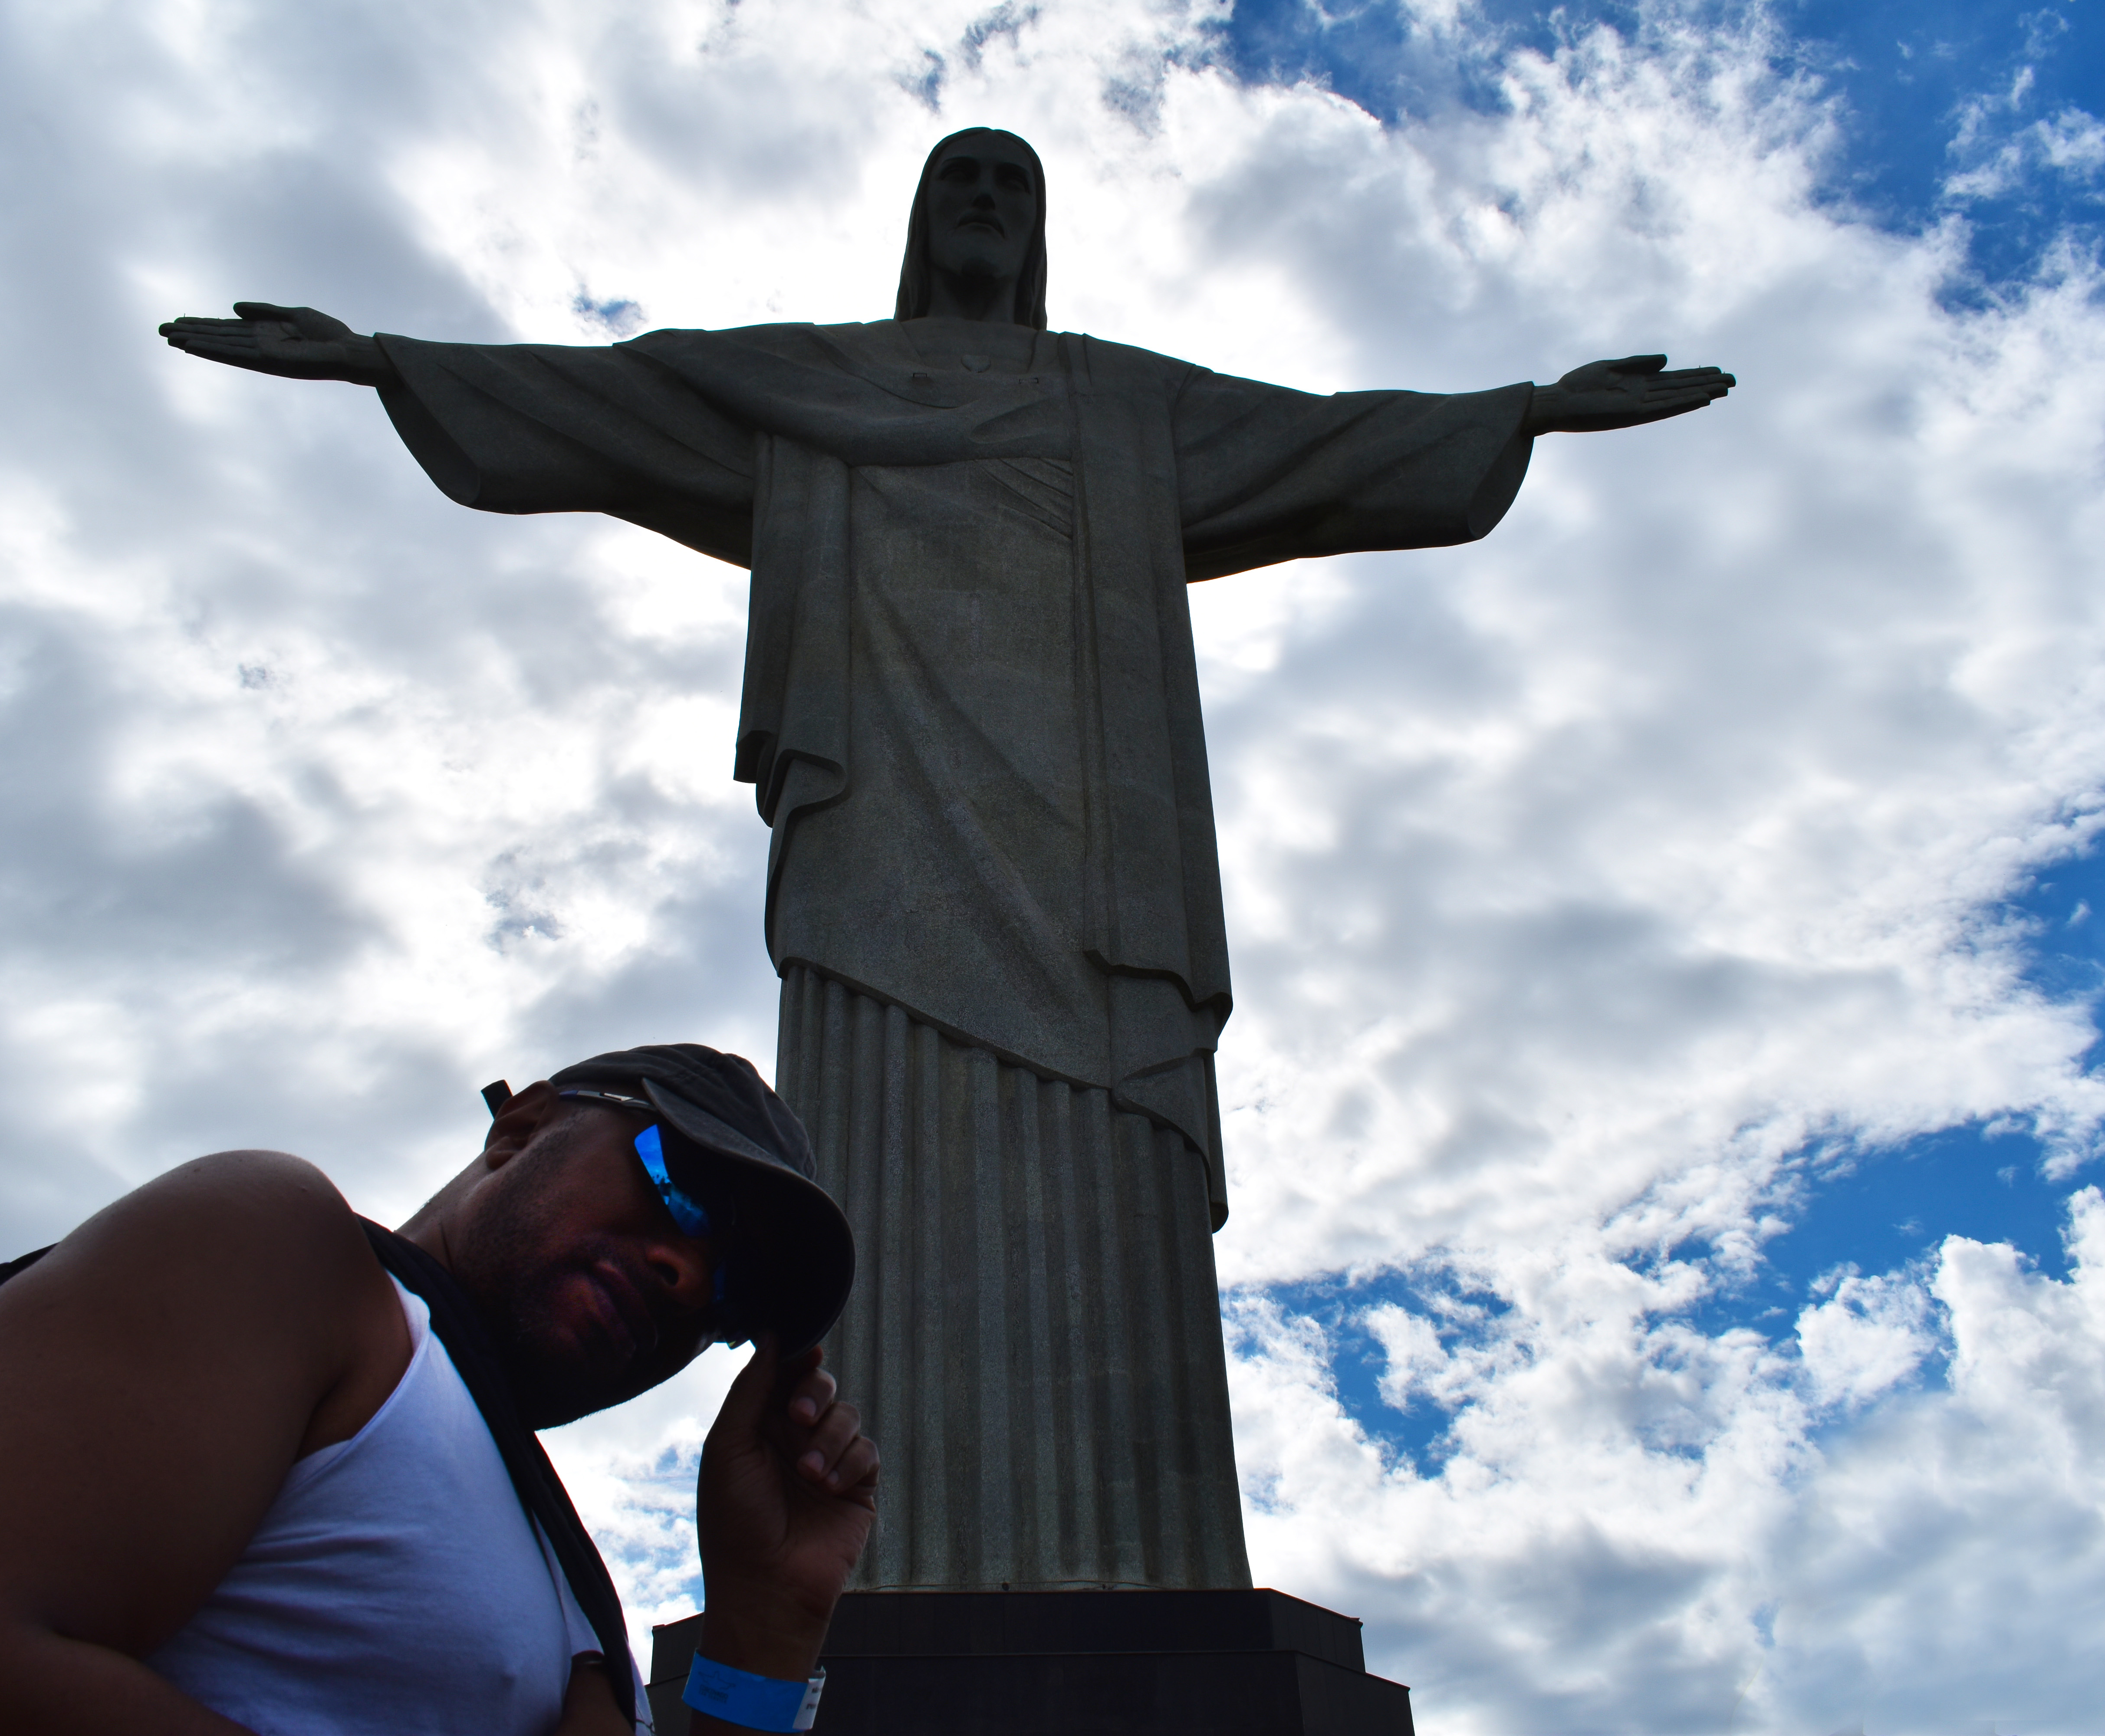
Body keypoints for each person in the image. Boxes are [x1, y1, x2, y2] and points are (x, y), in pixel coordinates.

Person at [152, 128, 1734, 1593]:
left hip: (1097, 873)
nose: (983, 201)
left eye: (1010, 183)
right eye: (960, 178)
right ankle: (872, 1570)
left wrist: (1521, 411)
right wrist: (385, 362)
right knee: (872, 1149)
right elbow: (619, 398)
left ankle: (1146, 1571)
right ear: (920, 218)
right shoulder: (814, 383)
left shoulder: (1122, 404)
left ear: (1037, 230)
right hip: (878, 840)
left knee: (1107, 1167)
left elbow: (1321, 442)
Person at [0, 1043, 870, 1736]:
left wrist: (763, 1635)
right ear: (521, 1125)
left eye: (733, 1293)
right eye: (682, 1186)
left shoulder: (576, 1600)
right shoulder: (285, 1252)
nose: (690, 1274)